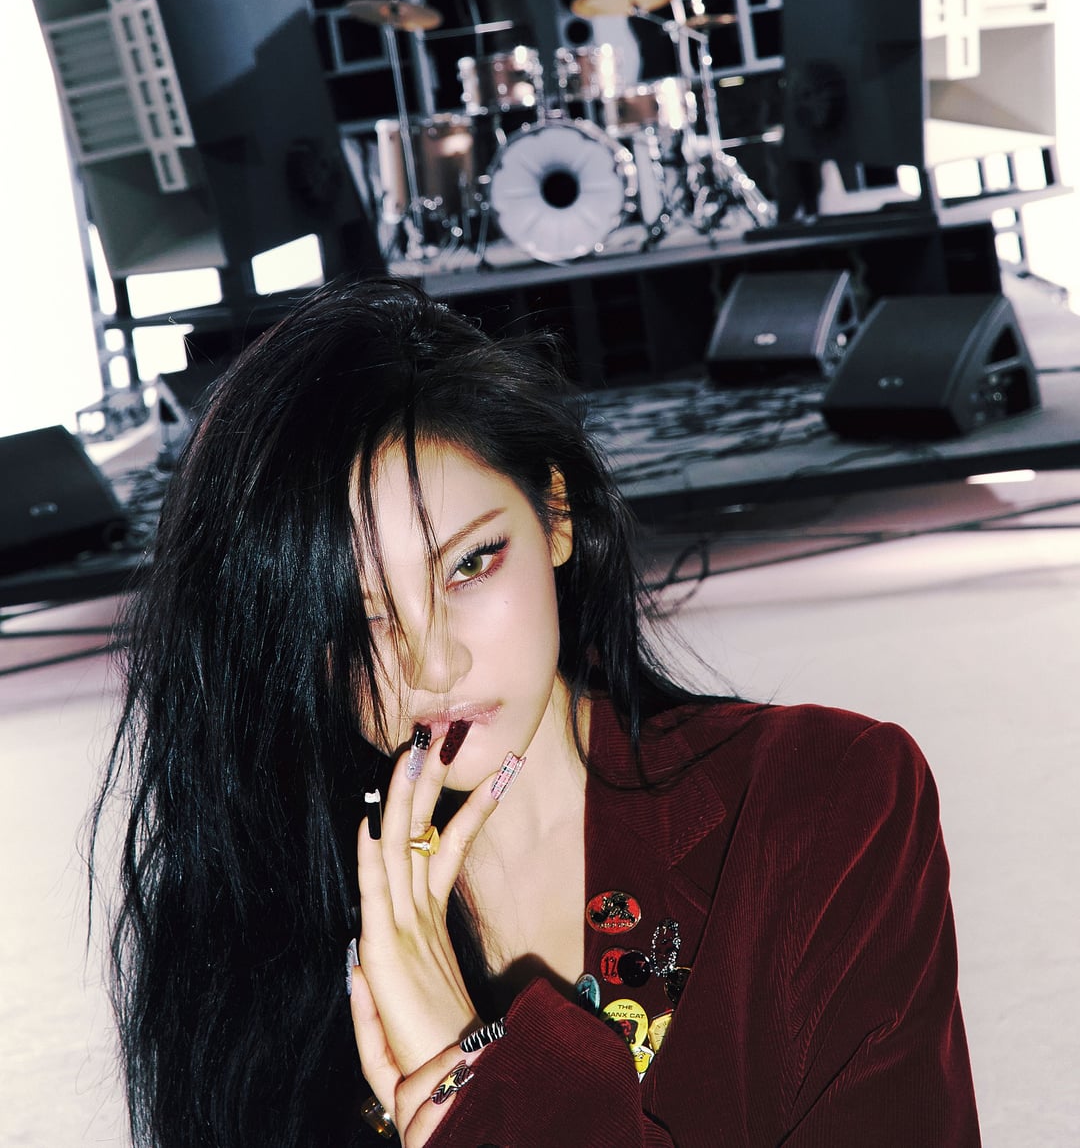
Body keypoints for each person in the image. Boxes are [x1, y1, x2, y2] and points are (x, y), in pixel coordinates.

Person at [94, 277, 981, 1147]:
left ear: (555, 514)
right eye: (357, 617)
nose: (432, 663)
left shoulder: (824, 800)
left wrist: (469, 1077)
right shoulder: (249, 928)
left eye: (468, 565)